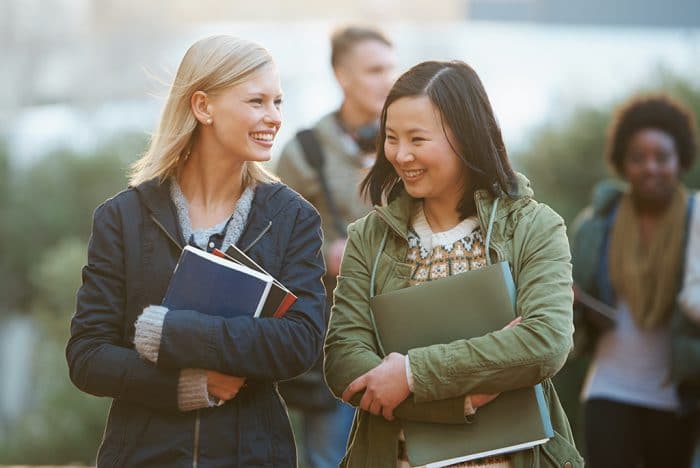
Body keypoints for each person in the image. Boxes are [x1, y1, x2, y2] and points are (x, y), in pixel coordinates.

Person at [65, 35, 326, 467]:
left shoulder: (294, 218)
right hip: (143, 456)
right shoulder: (122, 218)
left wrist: (174, 333)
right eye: (257, 101)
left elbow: (301, 343)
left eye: (278, 101)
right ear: (203, 107)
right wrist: (185, 386)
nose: (274, 117)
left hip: (253, 456)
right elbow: (87, 355)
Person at [324, 60, 583, 468]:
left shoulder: (535, 225)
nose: (401, 154)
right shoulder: (367, 237)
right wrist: (462, 400)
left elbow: (545, 342)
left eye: (417, 139)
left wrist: (411, 374)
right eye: (391, 138)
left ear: (465, 137)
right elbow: (345, 362)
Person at [275, 25, 396, 468]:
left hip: (407, 334)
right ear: (343, 77)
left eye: (391, 68)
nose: (389, 79)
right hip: (337, 336)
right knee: (330, 457)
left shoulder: (410, 144)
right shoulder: (305, 151)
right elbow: (272, 242)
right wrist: (324, 254)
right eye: (375, 70)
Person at [570, 95, 699, 468]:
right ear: (622, 164)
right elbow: (574, 303)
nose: (650, 168)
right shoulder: (597, 224)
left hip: (676, 397)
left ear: (681, 160)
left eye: (662, 157)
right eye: (638, 158)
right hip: (609, 387)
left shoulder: (696, 220)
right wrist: (576, 301)